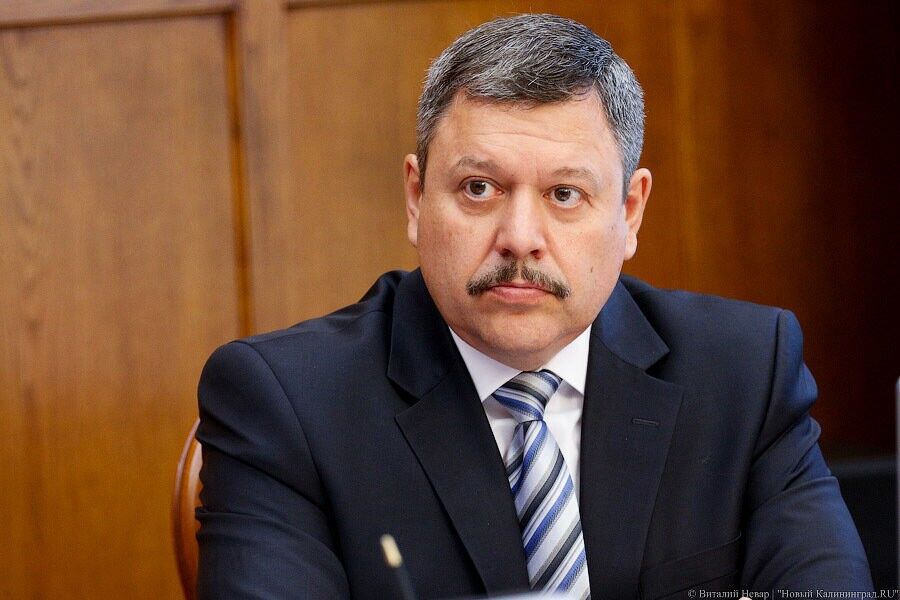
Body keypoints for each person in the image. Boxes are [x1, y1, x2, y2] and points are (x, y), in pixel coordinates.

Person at [195, 13, 872, 600]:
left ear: (631, 212)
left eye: (565, 195)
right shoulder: (287, 405)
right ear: (416, 197)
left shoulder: (745, 373)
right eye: (479, 188)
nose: (520, 238)